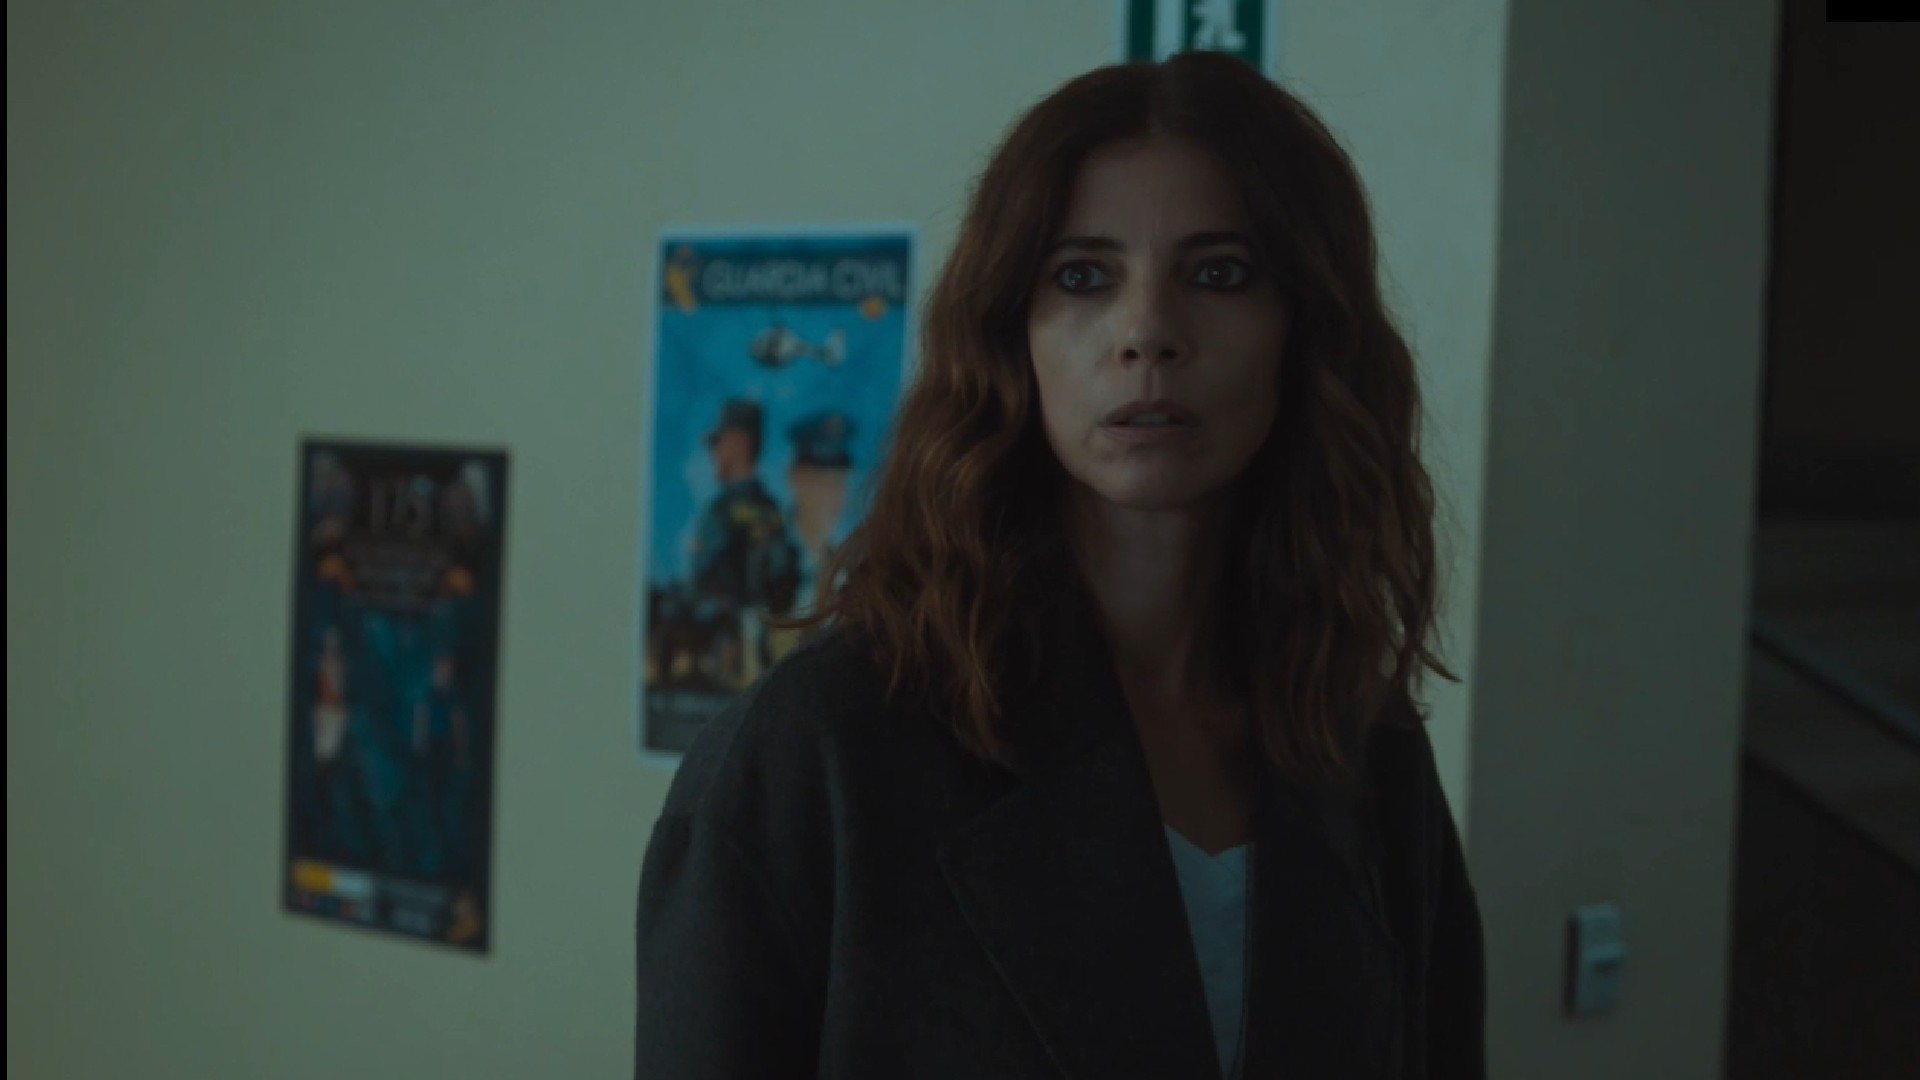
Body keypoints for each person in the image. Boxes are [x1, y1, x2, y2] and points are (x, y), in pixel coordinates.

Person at [636, 51, 1486, 1079]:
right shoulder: (817, 748)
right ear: (1011, 335)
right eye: (1083, 276)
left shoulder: (1366, 748)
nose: (1148, 333)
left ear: (1305, 327)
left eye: (1220, 273)